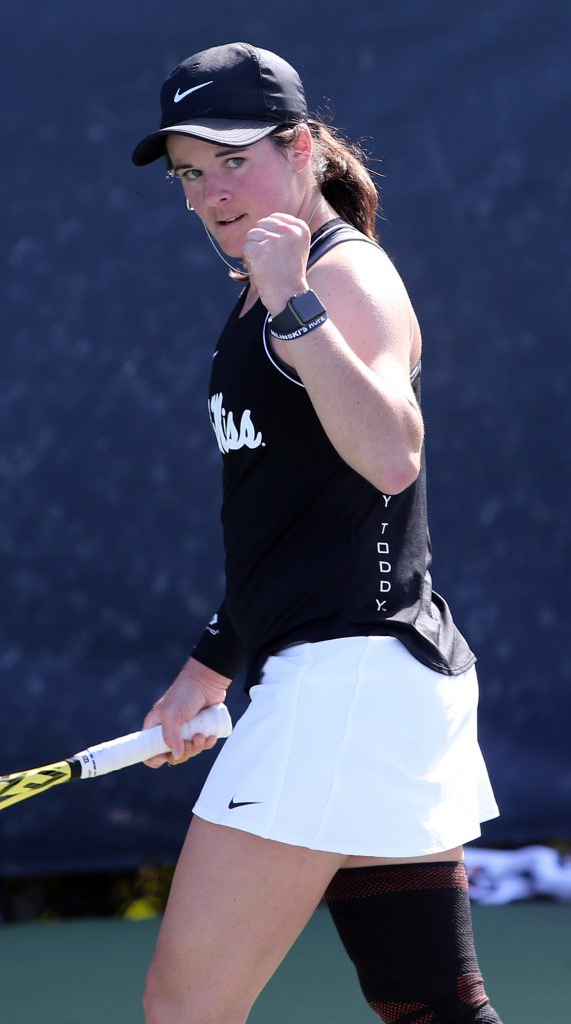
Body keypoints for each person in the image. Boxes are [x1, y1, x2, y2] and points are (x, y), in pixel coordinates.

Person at [131, 42, 503, 1024]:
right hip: (360, 681)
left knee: (185, 1007)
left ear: (299, 148)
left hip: (345, 686)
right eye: (189, 173)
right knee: (429, 1006)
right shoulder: (256, 288)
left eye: (232, 160)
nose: (210, 191)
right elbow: (292, 513)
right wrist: (212, 663)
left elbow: (388, 455)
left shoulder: (339, 280)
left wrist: (294, 300)